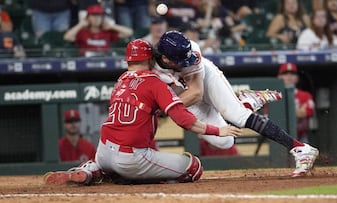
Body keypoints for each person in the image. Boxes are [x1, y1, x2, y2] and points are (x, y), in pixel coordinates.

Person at [44, 39, 242, 185]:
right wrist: (218, 131)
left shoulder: (120, 81)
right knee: (193, 168)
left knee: (114, 164)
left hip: (103, 151)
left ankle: (92, 170)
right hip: (131, 157)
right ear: (150, 59)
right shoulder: (155, 82)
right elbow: (183, 119)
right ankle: (126, 176)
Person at [151, 30, 319, 177]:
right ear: (165, 58)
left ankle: (300, 148)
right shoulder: (149, 62)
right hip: (181, 95)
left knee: (237, 116)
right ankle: (245, 103)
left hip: (203, 82)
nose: (185, 62)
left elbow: (196, 92)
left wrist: (164, 109)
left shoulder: (192, 50)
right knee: (224, 142)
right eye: (180, 61)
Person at [63, 4, 133, 57]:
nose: (96, 18)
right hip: (86, 60)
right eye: (93, 16)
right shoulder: (82, 31)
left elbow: (129, 32)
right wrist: (80, 25)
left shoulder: (107, 31)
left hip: (105, 58)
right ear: (88, 17)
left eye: (99, 16)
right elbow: (67, 37)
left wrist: (112, 26)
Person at [278, 63, 315, 144]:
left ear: (297, 78)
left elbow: (305, 113)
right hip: (277, 137)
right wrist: (297, 111)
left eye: (292, 73)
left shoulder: (305, 95)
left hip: (300, 136)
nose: (289, 76)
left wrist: (284, 111)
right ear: (279, 77)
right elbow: (272, 117)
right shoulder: (273, 95)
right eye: (285, 73)